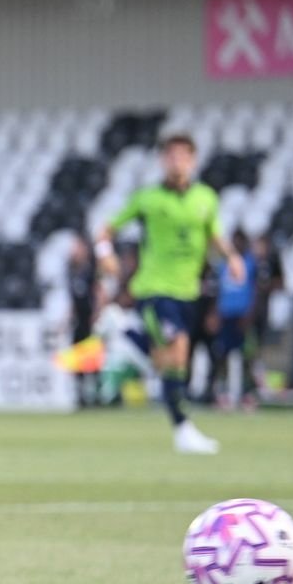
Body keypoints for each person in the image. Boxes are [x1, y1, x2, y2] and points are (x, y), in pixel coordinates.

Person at [97, 133, 245, 454]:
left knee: (169, 363)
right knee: (177, 348)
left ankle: (125, 332)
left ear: (193, 160)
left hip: (187, 292)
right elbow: (107, 229)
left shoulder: (206, 198)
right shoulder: (147, 198)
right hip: (154, 288)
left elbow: (215, 235)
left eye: (182, 156)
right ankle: (183, 429)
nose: (176, 162)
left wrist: (232, 258)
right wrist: (104, 252)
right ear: (163, 161)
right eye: (170, 156)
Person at [211, 230, 259, 410]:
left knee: (247, 356)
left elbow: (254, 291)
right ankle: (222, 393)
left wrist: (250, 313)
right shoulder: (224, 264)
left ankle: (248, 393)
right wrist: (215, 313)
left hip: (242, 315)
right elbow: (220, 290)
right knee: (221, 354)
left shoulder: (249, 263)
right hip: (226, 314)